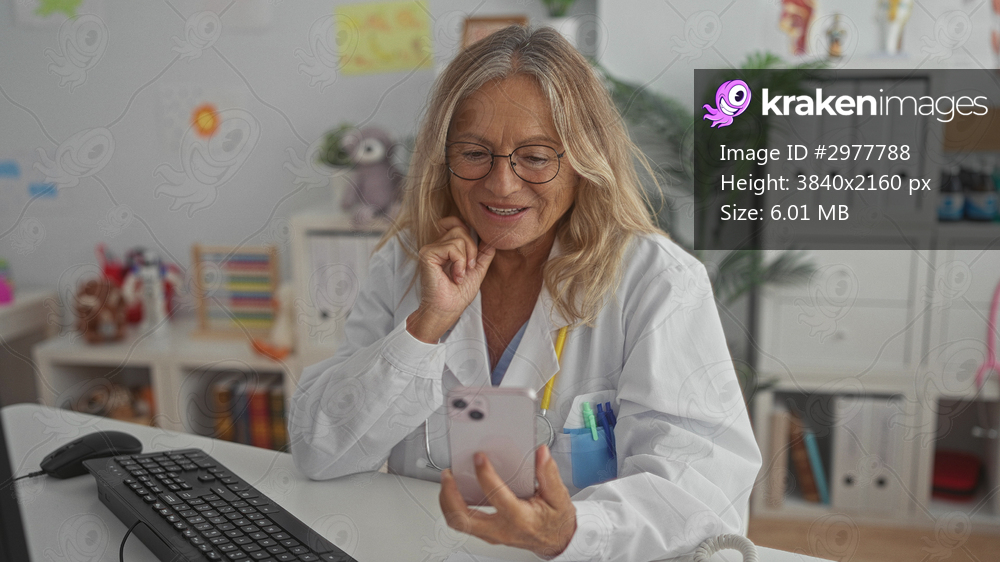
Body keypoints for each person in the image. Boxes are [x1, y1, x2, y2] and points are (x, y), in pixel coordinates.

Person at [289, 25, 761, 562]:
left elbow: (703, 490)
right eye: (474, 153)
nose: (502, 184)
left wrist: (575, 531)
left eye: (535, 157)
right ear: (443, 158)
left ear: (584, 160)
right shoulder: (404, 266)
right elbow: (318, 451)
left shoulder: (658, 282)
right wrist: (425, 327)